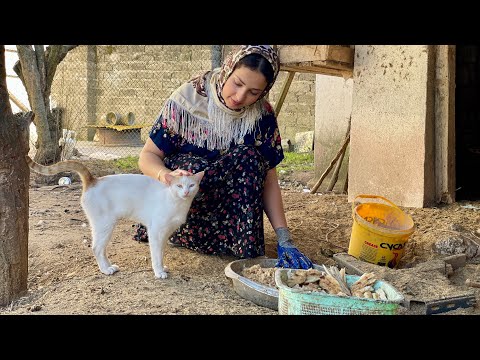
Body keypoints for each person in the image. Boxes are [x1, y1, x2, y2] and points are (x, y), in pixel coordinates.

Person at [133, 45, 313, 269]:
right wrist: (167, 176)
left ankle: (235, 243)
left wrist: (285, 238)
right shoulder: (187, 100)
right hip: (182, 212)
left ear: (264, 91)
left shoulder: (261, 115)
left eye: (253, 92)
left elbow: (268, 179)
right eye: (237, 83)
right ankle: (180, 235)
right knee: (193, 166)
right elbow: (147, 156)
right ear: (228, 70)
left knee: (249, 158)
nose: (240, 97)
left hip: (231, 224)